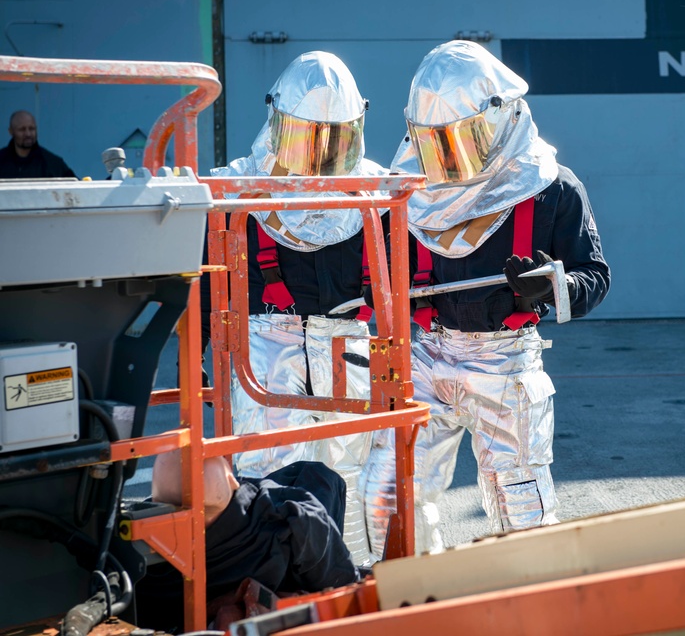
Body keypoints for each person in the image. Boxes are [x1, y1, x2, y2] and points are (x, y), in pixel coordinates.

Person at [361, 40, 611, 559]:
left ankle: (525, 598)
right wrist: (375, 293)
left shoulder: (551, 189)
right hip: (424, 354)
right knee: (386, 497)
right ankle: (416, 594)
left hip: (505, 359)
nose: (449, 158)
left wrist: (554, 288)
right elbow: (372, 274)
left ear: (499, 119)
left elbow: (595, 275)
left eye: (461, 139)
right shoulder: (407, 190)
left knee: (521, 508)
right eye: (435, 143)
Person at [207, 51, 387, 567]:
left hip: (347, 349)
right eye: (307, 138)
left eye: (334, 140)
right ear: (277, 124)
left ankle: (350, 580)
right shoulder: (236, 190)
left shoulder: (379, 192)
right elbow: (202, 283)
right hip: (266, 351)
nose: (319, 154)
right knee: (267, 476)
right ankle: (268, 585)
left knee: (350, 470)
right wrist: (200, 358)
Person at [137, 450, 359, 630]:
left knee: (307, 475)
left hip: (182, 603)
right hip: (289, 573)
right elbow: (344, 586)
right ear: (232, 480)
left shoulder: (138, 547)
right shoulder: (292, 521)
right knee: (321, 478)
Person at [0, 110, 76, 179]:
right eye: (22, 129)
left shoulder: (52, 163)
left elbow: (74, 187)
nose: (28, 134)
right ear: (11, 131)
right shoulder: (2, 160)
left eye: (32, 128)